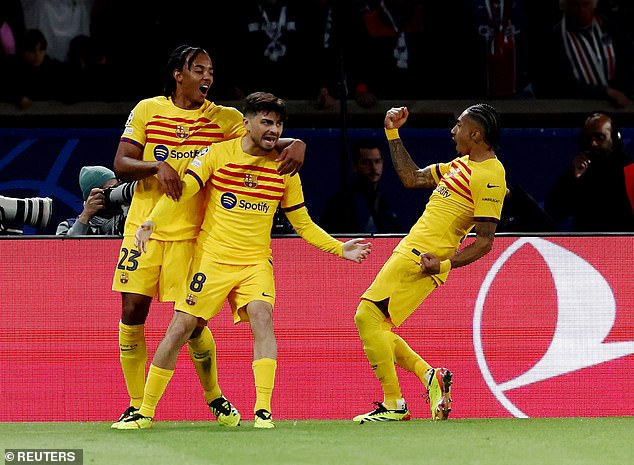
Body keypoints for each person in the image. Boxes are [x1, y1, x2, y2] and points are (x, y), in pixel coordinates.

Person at [116, 92, 372, 430]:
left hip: (255, 263)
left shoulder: (284, 169)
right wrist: (152, 221)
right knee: (181, 328)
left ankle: (263, 410)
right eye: (266, 121)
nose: (273, 129)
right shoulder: (217, 154)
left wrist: (340, 249)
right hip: (212, 260)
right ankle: (145, 412)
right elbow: (184, 191)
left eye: (279, 124)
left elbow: (303, 222)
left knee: (261, 316)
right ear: (246, 123)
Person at [110, 46, 306, 429]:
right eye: (198, 69)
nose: (207, 77)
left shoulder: (225, 118)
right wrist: (157, 165)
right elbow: (121, 163)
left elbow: (261, 141)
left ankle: (214, 397)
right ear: (178, 74)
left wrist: (298, 143)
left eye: (211, 71)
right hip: (145, 226)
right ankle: (137, 404)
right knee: (133, 311)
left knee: (193, 324)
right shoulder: (148, 109)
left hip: (193, 234)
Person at [352, 103, 506, 423]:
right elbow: (411, 177)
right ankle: (429, 377)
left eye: (460, 126)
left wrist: (443, 264)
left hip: (424, 259)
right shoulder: (460, 165)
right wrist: (392, 132)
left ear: (476, 134)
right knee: (375, 323)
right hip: (410, 250)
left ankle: (394, 404)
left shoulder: (491, 175)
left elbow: (484, 241)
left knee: (367, 317)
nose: (453, 131)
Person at [532, 0, 634, 108]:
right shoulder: (552, 40)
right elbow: (556, 86)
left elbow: (628, 66)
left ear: (594, 5)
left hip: (618, 106)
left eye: (585, 4)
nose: (581, 10)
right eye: (575, 5)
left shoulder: (614, 30)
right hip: (576, 108)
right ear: (564, 7)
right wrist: (605, 92)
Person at [544, 111, 634, 232]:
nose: (592, 143)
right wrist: (573, 180)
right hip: (587, 246)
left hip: (624, 245)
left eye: (599, 137)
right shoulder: (578, 172)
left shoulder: (630, 170)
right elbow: (553, 213)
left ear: (615, 138)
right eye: (588, 138)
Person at [320, 138, 403, 233]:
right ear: (355, 166)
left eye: (377, 161)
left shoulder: (388, 199)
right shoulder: (340, 202)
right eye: (366, 162)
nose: (373, 168)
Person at [56, 165, 135, 236]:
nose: (114, 191)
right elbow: (65, 249)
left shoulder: (130, 216)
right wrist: (85, 215)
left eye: (117, 186)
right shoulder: (67, 226)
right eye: (109, 190)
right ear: (92, 197)